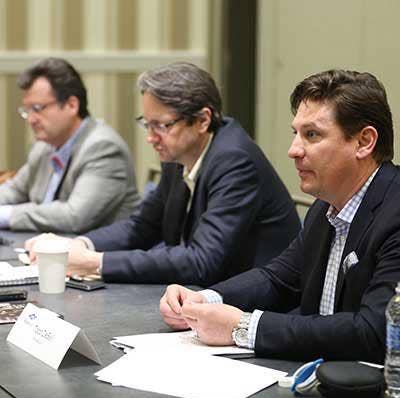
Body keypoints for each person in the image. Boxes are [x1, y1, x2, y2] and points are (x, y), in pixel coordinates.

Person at [160, 69, 400, 363]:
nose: (293, 150)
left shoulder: (394, 213)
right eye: (295, 134)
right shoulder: (324, 207)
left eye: (312, 135)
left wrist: (243, 327)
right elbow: (278, 279)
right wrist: (203, 300)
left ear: (364, 142)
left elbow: (374, 332)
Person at [26, 62, 301, 286]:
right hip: (206, 293)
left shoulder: (235, 161)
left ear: (202, 120)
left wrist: (95, 262)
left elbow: (202, 261)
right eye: (147, 124)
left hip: (255, 302)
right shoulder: (180, 152)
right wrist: (78, 244)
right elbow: (142, 226)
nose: (150, 138)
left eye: (161, 126)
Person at [0, 57, 140, 233]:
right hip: (49, 244)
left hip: (94, 247)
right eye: (27, 110)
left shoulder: (103, 148)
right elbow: (15, 190)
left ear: (71, 105)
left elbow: (75, 217)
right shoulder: (44, 146)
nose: (31, 119)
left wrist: (7, 215)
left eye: (37, 108)